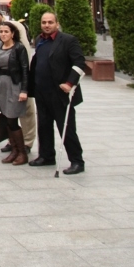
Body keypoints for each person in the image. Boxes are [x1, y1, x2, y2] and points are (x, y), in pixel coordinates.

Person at [28, 10, 86, 174]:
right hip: (41, 91)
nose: (46, 25)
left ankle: (76, 161)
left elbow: (79, 63)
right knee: (44, 126)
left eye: (50, 22)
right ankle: (46, 156)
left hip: (60, 93)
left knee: (66, 128)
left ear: (57, 24)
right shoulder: (40, 40)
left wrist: (69, 83)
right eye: (44, 22)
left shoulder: (68, 40)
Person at [0, 4, 36, 154]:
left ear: (0, 14)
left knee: (25, 109)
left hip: (18, 75)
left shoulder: (15, 26)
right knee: (7, 110)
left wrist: (25, 78)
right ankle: (12, 141)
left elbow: (24, 49)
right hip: (2, 75)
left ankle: (27, 142)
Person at [0, 21, 29, 165]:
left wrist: (24, 90)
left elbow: (25, 69)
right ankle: (14, 150)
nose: (3, 34)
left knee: (13, 119)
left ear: (12, 33)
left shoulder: (19, 48)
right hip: (2, 84)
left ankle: (22, 152)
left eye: (6, 31)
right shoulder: (0, 47)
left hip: (15, 85)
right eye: (1, 32)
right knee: (6, 118)